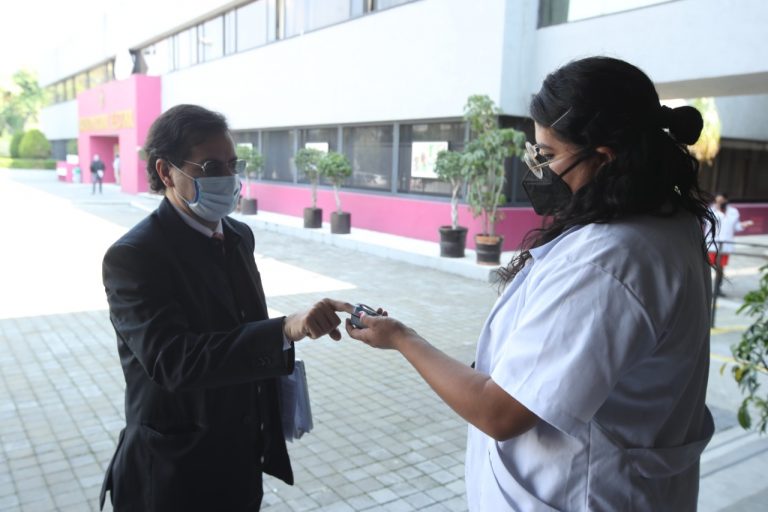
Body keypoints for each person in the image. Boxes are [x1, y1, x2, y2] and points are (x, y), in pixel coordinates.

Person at [347, 57, 717, 510]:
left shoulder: (606, 261)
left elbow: (499, 412)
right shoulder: (665, 223)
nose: (538, 168)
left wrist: (402, 337)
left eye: (547, 154)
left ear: (604, 158)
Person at [99, 104, 351, 511]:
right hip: (173, 473)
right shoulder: (134, 256)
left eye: (233, 164)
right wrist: (283, 329)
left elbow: (238, 326)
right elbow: (174, 361)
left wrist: (291, 335)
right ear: (166, 172)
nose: (227, 178)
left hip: (240, 458)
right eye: (211, 165)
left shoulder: (238, 235)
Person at [709, 192, 754, 296]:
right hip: (713, 244)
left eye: (721, 201)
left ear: (726, 200)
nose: (719, 203)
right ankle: (706, 287)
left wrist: (744, 225)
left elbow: (736, 226)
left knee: (720, 268)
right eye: (717, 202)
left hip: (725, 245)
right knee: (709, 266)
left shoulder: (733, 212)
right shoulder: (711, 210)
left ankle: (717, 289)